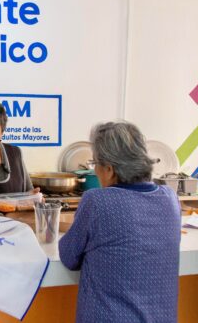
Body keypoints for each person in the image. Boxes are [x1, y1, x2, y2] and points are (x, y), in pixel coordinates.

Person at [58, 121, 181, 323]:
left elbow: (69, 256)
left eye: (95, 163)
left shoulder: (97, 201)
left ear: (109, 168)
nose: (95, 170)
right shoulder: (170, 198)